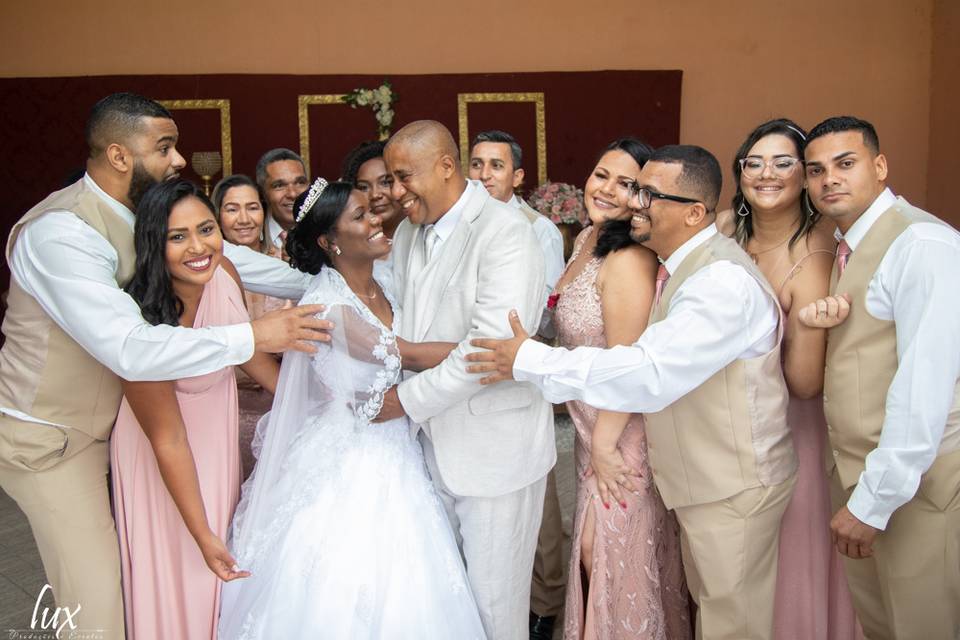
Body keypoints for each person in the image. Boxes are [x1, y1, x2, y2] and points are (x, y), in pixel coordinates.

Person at [0, 93, 325, 637]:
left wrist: (348, 284)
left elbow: (229, 260)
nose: (179, 160)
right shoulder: (60, 233)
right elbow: (131, 348)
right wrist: (254, 334)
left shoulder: (147, 218)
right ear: (120, 156)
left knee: (142, 577)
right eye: (165, 147)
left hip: (124, 424)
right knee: (96, 601)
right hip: (53, 438)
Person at [467, 145, 799, 640]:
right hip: (695, 470)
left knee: (728, 621)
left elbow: (645, 371)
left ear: (692, 212)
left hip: (733, 482)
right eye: (633, 188)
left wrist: (529, 361)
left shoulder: (720, 283)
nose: (633, 202)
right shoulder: (674, 261)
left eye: (646, 192)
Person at [219, 178, 485, 638]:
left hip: (401, 444)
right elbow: (410, 354)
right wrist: (493, 348)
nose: (377, 219)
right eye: (360, 216)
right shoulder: (329, 306)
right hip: (354, 457)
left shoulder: (385, 284)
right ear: (329, 241)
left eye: (371, 210)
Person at [377, 120, 555, 640]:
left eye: (403, 176)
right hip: (430, 447)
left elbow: (487, 353)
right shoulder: (411, 231)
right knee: (450, 604)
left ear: (447, 166)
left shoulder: (507, 233)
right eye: (389, 179)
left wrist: (403, 401)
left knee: (495, 610)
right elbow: (404, 322)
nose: (394, 191)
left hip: (494, 453)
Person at [797, 116, 960, 639]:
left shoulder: (923, 245)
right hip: (863, 481)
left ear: (880, 166)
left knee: (923, 626)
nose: (830, 180)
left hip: (917, 489)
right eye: (816, 170)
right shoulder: (848, 247)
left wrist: (874, 501)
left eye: (846, 164)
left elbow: (924, 387)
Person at [112, 180, 280, 639]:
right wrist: (202, 533)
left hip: (214, 447)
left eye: (206, 229)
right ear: (153, 242)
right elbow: (167, 438)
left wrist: (307, 403)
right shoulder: (138, 319)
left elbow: (246, 348)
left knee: (221, 581)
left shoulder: (223, 271)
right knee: (186, 573)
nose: (199, 247)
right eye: (177, 236)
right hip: (161, 458)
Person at [720, 119, 861, 640]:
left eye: (783, 163)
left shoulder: (815, 255)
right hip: (718, 424)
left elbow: (804, 383)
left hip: (786, 425)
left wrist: (800, 327)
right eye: (753, 162)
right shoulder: (721, 231)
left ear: (805, 178)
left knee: (785, 553)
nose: (766, 173)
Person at [549, 138, 690, 640]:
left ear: (643, 197)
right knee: (596, 557)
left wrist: (606, 447)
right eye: (601, 173)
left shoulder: (630, 256)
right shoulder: (588, 236)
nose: (606, 189)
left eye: (627, 184)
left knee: (606, 554)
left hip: (620, 435)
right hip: (590, 432)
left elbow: (628, 365)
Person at [468, 129, 568, 638]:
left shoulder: (538, 231)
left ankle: (546, 602)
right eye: (477, 165)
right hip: (470, 381)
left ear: (518, 176)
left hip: (520, 371)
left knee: (539, 499)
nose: (484, 176)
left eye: (497, 166)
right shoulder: (462, 225)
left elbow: (536, 317)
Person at [212, 174, 290, 478]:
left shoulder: (287, 265)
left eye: (252, 208)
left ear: (265, 211)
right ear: (217, 215)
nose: (243, 219)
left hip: (279, 401)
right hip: (228, 405)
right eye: (232, 209)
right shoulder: (208, 274)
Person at [342, 140, 403, 239]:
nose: (375, 195)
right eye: (363, 187)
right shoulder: (353, 245)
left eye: (385, 183)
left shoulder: (425, 234)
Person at [255, 148, 309, 251]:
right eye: (279, 185)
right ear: (262, 193)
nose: (292, 194)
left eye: (300, 182)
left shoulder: (327, 232)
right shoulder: (251, 236)